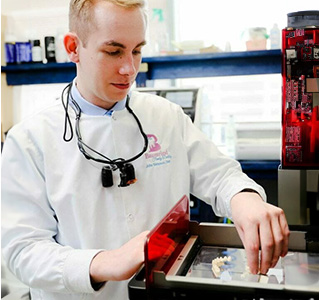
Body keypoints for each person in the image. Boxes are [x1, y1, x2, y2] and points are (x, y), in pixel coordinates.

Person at [1, 0, 290, 299]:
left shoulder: (166, 117)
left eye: (137, 50)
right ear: (73, 47)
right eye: (113, 51)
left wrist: (246, 201)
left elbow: (220, 176)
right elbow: (23, 250)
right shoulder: (30, 140)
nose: (129, 68)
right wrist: (104, 262)